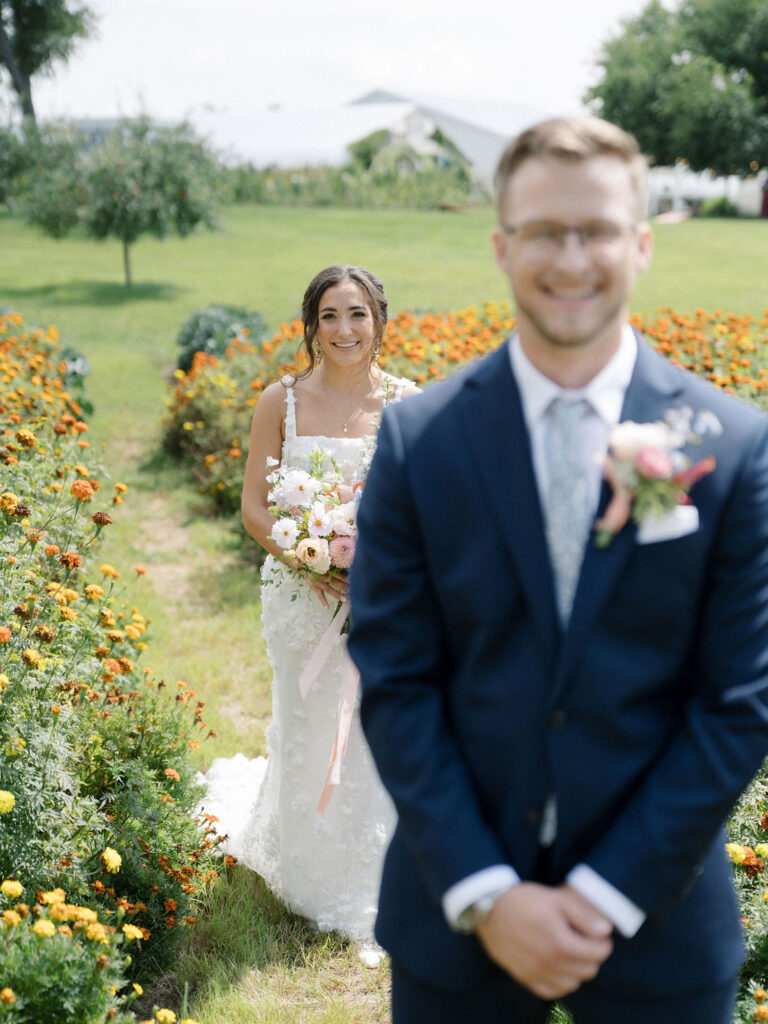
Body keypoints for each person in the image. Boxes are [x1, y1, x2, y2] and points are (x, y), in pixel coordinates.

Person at [347, 117, 768, 1022]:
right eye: (543, 231)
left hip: (658, 915)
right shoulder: (422, 444)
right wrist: (489, 891)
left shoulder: (733, 448)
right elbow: (397, 681)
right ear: (502, 246)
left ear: (643, 243)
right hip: (457, 911)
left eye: (598, 230)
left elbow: (738, 702)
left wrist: (607, 893)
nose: (571, 258)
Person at [201, 265, 419, 962]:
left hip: (389, 600)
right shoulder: (282, 401)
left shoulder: (409, 404)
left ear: (379, 320)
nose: (345, 330)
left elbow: (428, 510)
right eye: (330, 316)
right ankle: (307, 874)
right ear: (311, 325)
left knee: (378, 731)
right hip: (301, 599)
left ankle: (378, 872)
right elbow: (255, 509)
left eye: (357, 314)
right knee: (309, 717)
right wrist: (311, 561)